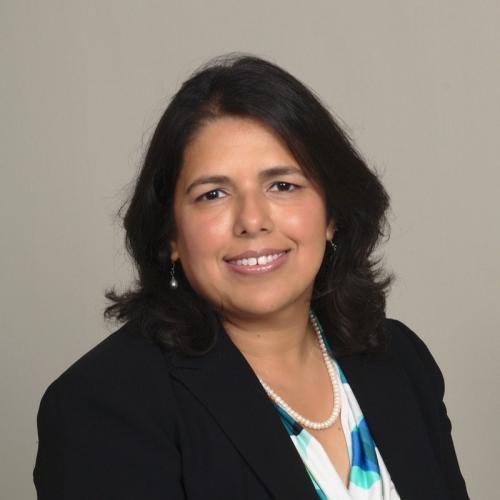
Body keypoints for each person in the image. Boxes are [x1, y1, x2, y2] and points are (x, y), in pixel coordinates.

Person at [33, 53, 469, 500]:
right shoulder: (103, 406)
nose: (252, 220)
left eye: (283, 185)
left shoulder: (400, 360)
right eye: (213, 194)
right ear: (171, 234)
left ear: (332, 215)